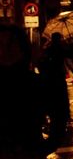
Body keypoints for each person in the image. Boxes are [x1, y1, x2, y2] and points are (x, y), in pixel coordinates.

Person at [0, 23, 50, 158]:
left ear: (22, 48)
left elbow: (58, 116)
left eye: (10, 44)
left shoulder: (36, 83)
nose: (5, 50)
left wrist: (45, 147)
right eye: (1, 45)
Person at [39, 32, 71, 149]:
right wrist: (69, 44)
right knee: (61, 98)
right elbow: (71, 54)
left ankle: (57, 116)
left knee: (57, 100)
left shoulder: (48, 48)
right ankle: (62, 116)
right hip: (57, 77)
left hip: (52, 79)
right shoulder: (59, 48)